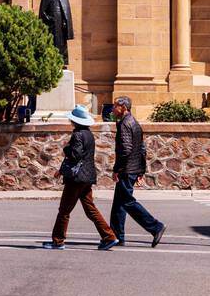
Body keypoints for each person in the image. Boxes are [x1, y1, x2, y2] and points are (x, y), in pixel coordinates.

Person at [44, 105, 118, 251]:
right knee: (90, 209)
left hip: (76, 179)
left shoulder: (77, 134)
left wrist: (66, 148)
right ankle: (109, 236)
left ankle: (58, 241)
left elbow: (75, 155)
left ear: (75, 121)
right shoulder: (89, 134)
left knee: (64, 210)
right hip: (87, 176)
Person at [110, 96, 165, 247]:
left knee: (127, 202)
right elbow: (142, 149)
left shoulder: (125, 124)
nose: (113, 108)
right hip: (132, 169)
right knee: (118, 205)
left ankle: (156, 227)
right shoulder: (134, 123)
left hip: (127, 170)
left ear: (123, 107)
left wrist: (117, 169)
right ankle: (116, 236)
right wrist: (141, 171)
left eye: (115, 105)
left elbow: (126, 150)